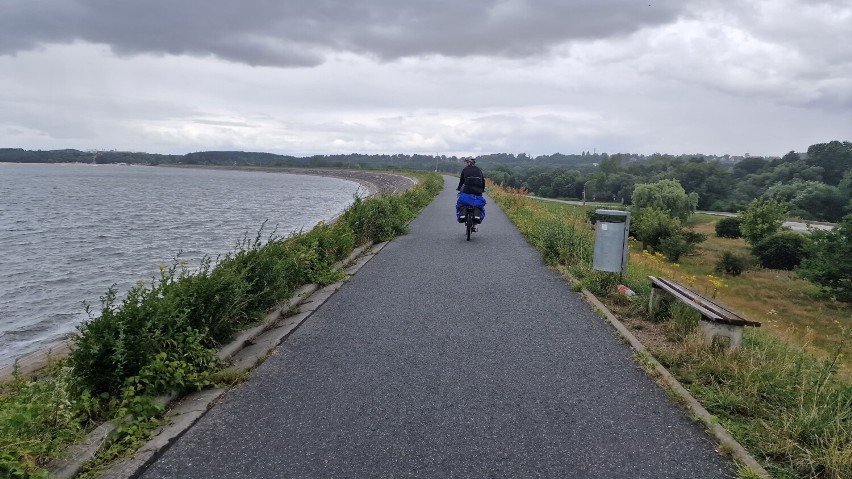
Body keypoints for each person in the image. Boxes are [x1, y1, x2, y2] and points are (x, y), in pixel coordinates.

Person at [456, 158, 486, 229]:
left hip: (467, 189)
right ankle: (475, 224)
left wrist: (459, 188)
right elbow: (483, 181)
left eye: (465, 163)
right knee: (479, 204)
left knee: (461, 200)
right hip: (478, 190)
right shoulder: (479, 170)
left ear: (469, 163)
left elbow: (461, 181)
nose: (464, 164)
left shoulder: (465, 170)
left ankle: (463, 214)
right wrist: (482, 189)